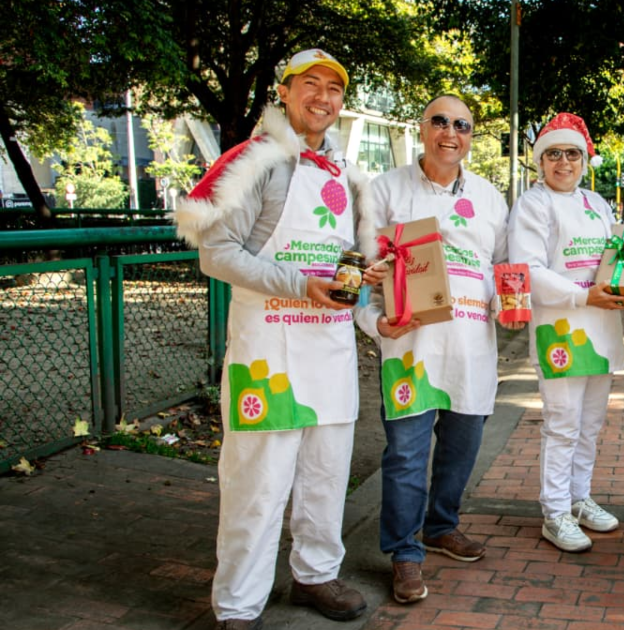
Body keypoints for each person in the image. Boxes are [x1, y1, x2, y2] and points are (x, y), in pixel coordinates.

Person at [173, 49, 370, 630]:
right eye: (311, 84)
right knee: (257, 482)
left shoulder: (347, 175)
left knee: (326, 474)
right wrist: (299, 284)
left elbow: (351, 264)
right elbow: (216, 254)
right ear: (284, 93)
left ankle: (315, 576)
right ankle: (238, 604)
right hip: (269, 351)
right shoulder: (258, 162)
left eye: (334, 89)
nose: (323, 98)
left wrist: (368, 286)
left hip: (329, 351)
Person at [355, 95, 516, 604]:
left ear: (472, 135)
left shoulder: (491, 197)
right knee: (405, 454)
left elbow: (504, 269)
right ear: (422, 128)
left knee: (462, 449)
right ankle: (404, 552)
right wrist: (374, 322)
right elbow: (361, 276)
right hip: (410, 349)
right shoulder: (385, 190)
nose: (451, 132)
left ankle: (441, 525)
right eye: (440, 121)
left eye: (463, 124)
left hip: (472, 349)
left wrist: (510, 301)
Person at [508, 112, 624, 553]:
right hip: (560, 328)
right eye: (553, 154)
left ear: (584, 159)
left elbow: (614, 257)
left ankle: (579, 499)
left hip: (602, 324)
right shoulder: (533, 204)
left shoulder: (596, 203)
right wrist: (582, 296)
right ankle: (554, 511)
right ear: (540, 161)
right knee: (562, 423)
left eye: (572, 153)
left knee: (591, 423)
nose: (564, 162)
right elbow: (528, 269)